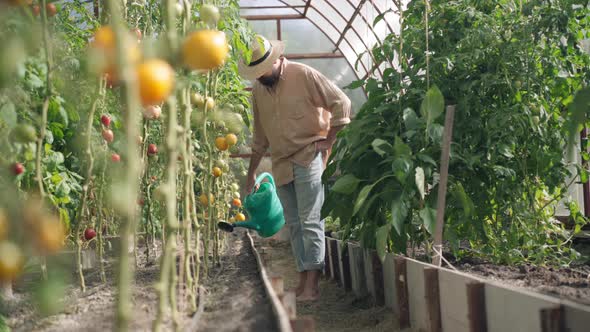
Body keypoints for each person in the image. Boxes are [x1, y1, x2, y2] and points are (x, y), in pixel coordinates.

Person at [238, 35, 352, 301]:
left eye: (262, 70)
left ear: (277, 59)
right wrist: (251, 172)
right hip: (280, 162)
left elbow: (342, 103)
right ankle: (303, 281)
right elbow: (259, 137)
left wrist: (329, 140)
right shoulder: (258, 89)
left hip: (308, 155)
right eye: (255, 72)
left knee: (310, 219)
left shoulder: (304, 75)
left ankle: (312, 285)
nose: (260, 76)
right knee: (294, 224)